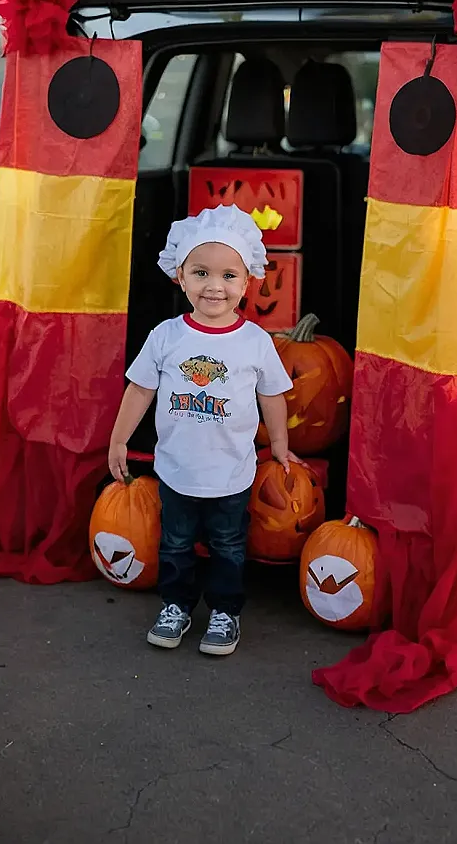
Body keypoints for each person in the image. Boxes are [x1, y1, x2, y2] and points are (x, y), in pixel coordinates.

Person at [108, 204, 297, 656]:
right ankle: (176, 605)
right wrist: (119, 439)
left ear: (248, 281)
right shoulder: (167, 336)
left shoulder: (255, 342)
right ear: (180, 275)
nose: (215, 286)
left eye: (229, 276)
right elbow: (139, 390)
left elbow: (272, 395)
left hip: (231, 474)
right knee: (173, 544)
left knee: (229, 546)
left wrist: (282, 445)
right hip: (176, 470)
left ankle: (225, 611)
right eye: (201, 273)